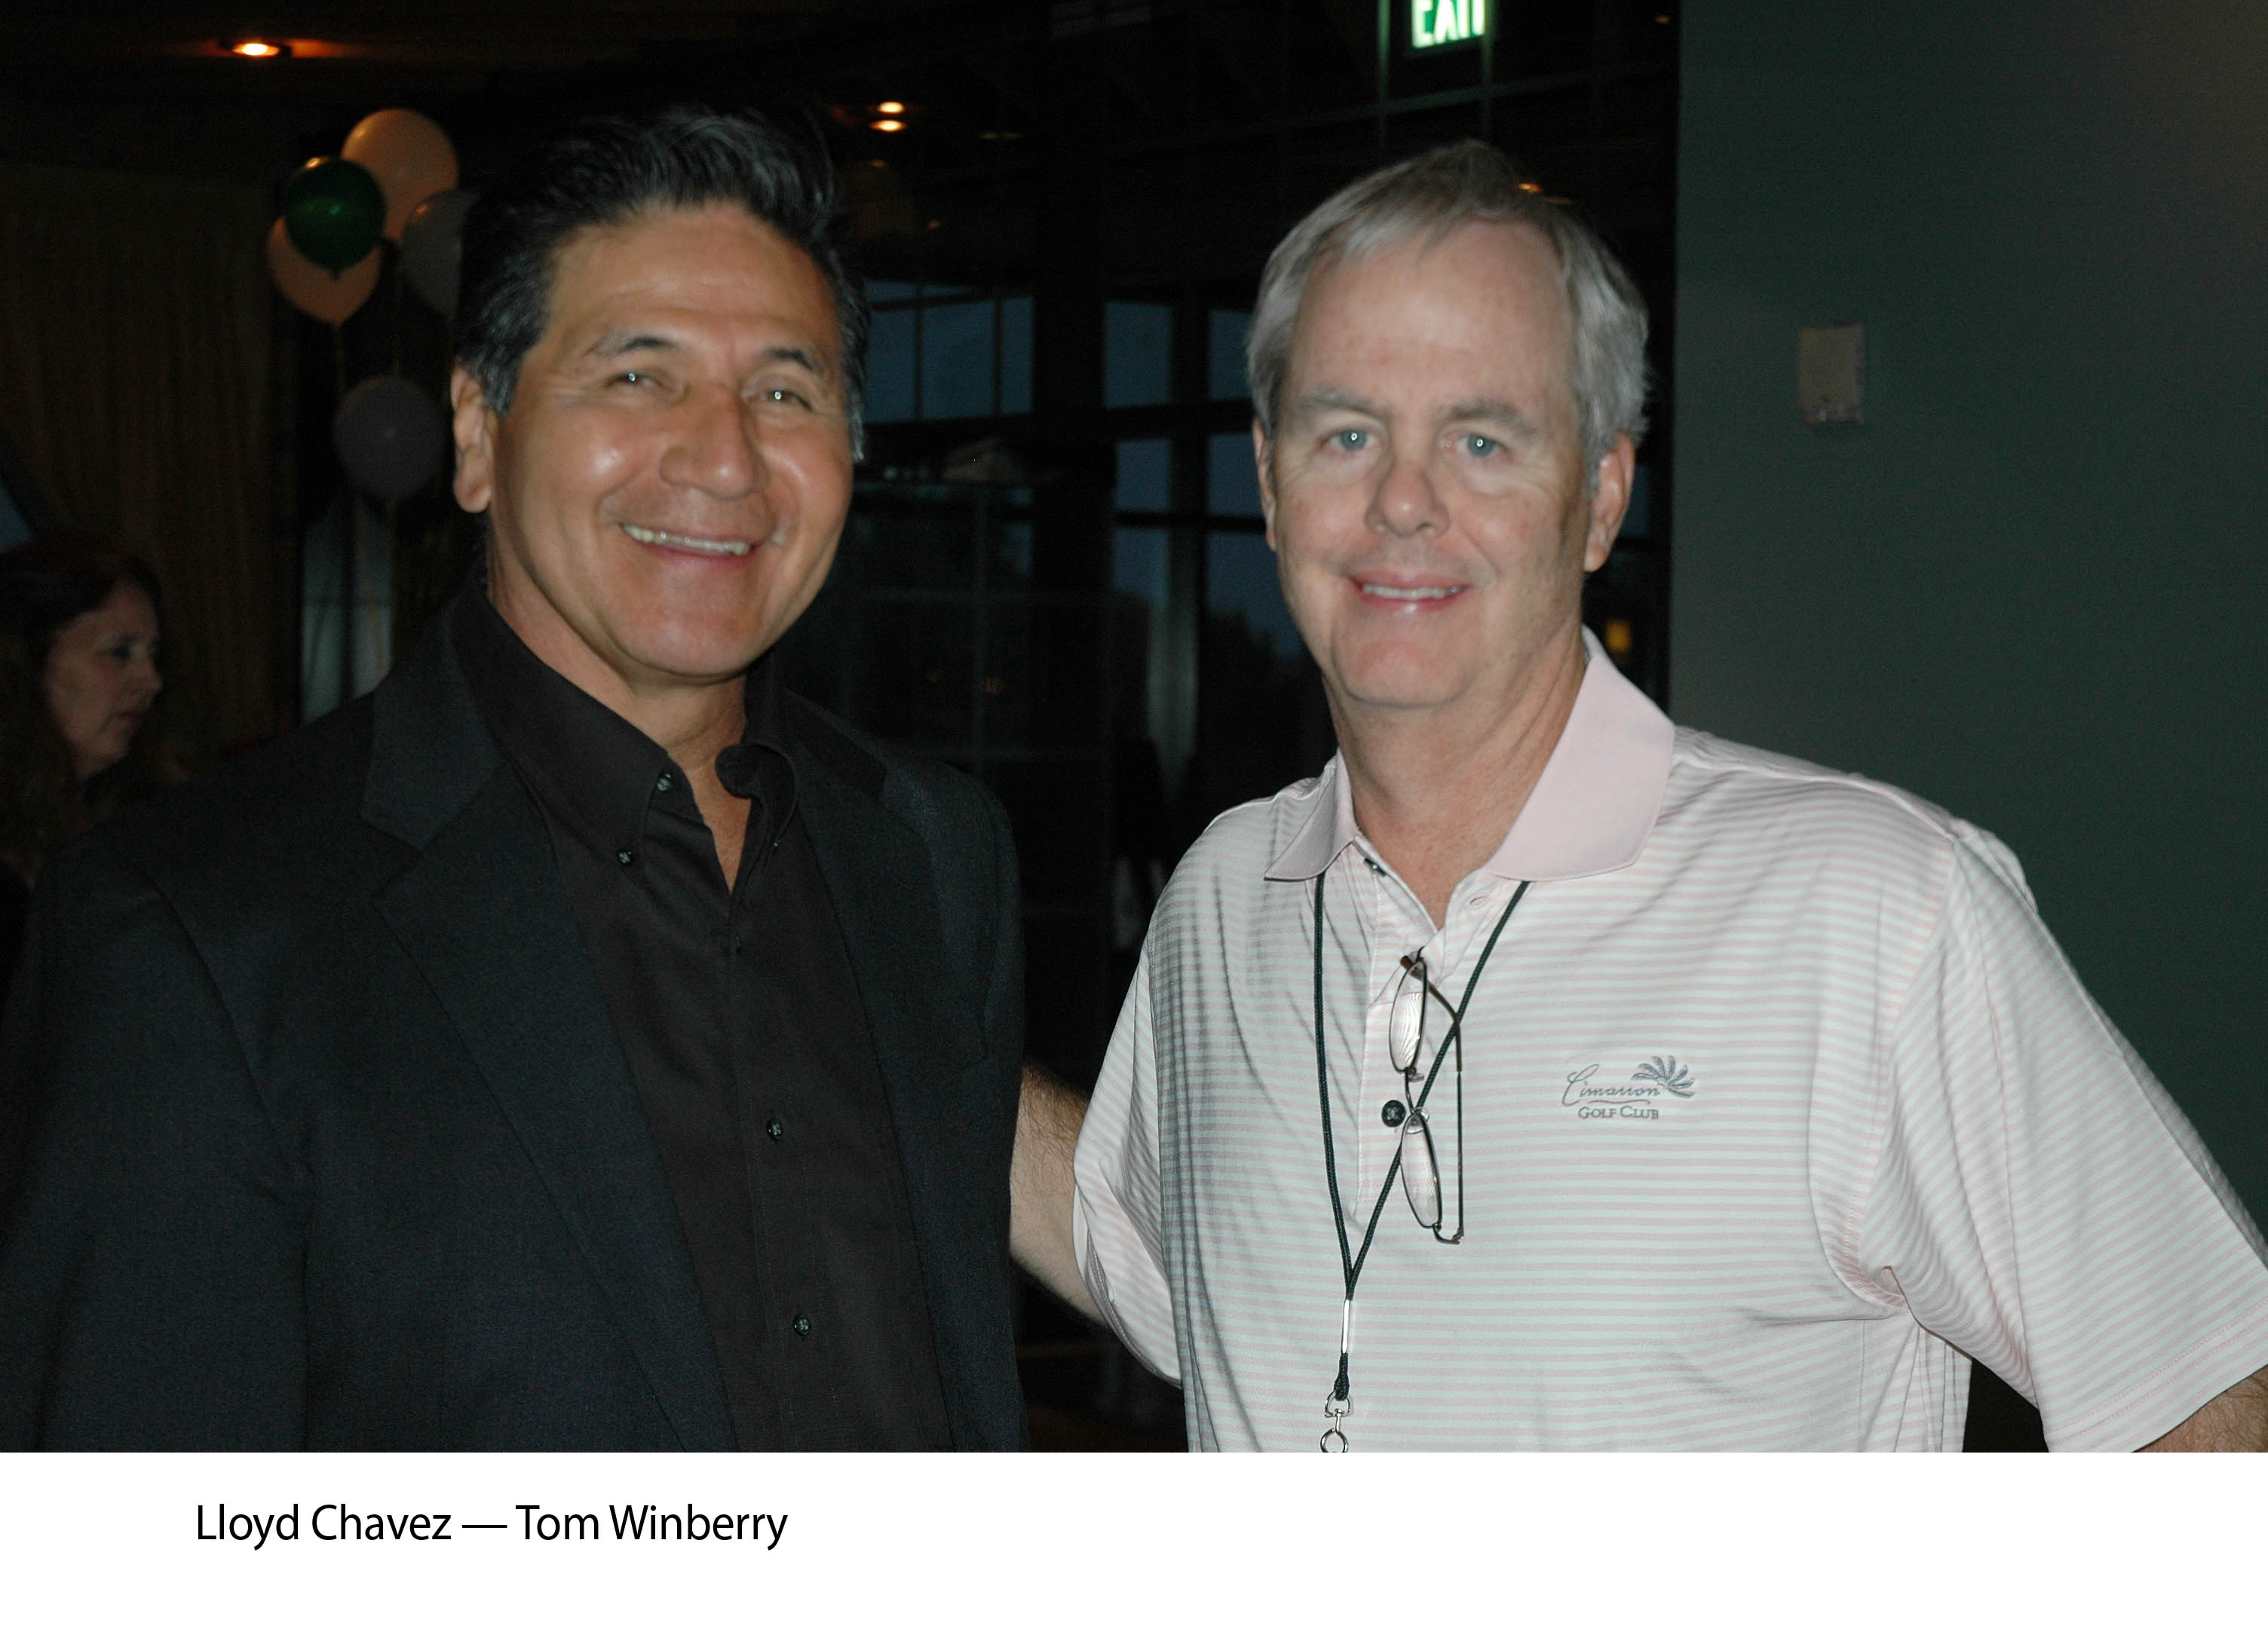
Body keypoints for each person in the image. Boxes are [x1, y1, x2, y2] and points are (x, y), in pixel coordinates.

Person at [1062, 142, 2268, 1450]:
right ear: (1267, 482)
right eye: (1347, 434)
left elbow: (2205, 1402)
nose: (1402, 501)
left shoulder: (1873, 910)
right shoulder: (1221, 901)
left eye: (1481, 440)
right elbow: (1170, 1267)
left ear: (1600, 496)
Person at [0, 108, 1050, 1450]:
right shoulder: (191, 931)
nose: (725, 458)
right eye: (639, 375)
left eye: (786, 392)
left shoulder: (932, 850)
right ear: (475, 432)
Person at [0, 537, 170, 989]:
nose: (152, 680)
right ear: (30, 662)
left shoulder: (144, 814)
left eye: (153, 654)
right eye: (119, 652)